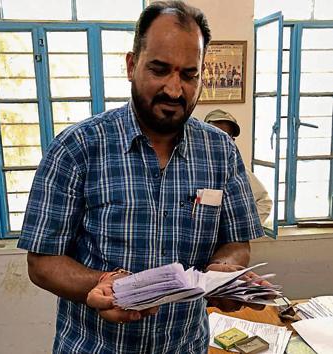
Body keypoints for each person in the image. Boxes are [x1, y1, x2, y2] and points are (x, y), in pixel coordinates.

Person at [18, 1, 269, 353]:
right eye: (159, 69)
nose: (174, 89)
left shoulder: (220, 151)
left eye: (188, 74)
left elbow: (237, 241)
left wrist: (223, 272)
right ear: (132, 65)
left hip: (185, 345)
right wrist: (102, 283)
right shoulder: (76, 148)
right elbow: (41, 262)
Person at [204, 109, 273, 224]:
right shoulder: (188, 166)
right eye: (214, 133)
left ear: (232, 141)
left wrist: (243, 231)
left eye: (226, 136)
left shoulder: (239, 172)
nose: (220, 139)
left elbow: (264, 203)